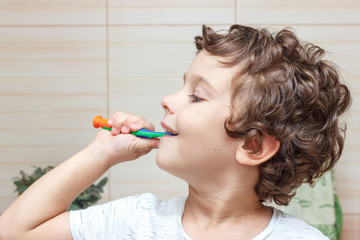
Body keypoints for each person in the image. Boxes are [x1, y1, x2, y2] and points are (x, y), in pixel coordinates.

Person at [0, 24, 351, 240]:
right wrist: (101, 153)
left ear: (254, 144)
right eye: (181, 88)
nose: (167, 100)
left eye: (196, 96)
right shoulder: (133, 221)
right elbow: (14, 232)